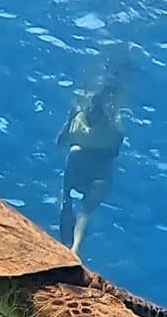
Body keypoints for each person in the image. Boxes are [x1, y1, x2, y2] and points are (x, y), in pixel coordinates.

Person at [56, 52, 131, 252]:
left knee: (71, 200)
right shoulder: (109, 120)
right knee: (83, 210)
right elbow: (116, 146)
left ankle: (69, 246)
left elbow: (61, 140)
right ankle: (73, 248)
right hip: (97, 164)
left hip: (89, 162)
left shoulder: (86, 115)